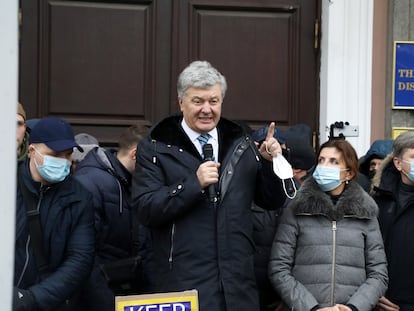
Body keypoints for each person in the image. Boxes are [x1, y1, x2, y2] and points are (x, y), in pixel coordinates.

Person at [131, 60, 286, 310]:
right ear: (181, 102)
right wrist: (193, 184)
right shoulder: (155, 147)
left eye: (213, 101)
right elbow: (145, 208)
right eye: (198, 101)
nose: (206, 109)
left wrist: (270, 163)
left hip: (237, 286)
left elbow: (271, 200)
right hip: (183, 286)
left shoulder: (241, 143)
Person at [269, 139, 388, 311]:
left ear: (349, 173)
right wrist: (311, 307)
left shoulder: (365, 214)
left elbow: (378, 273)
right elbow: (279, 268)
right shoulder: (297, 209)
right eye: (321, 160)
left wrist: (354, 307)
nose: (325, 166)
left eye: (334, 162)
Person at [14, 116, 95, 310]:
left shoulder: (79, 198)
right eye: (55, 154)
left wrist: (32, 299)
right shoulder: (7, 183)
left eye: (68, 155)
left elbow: (79, 260)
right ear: (32, 151)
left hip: (46, 303)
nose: (64, 161)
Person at [74, 124, 153, 311]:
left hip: (125, 294)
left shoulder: (133, 182)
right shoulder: (91, 183)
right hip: (101, 298)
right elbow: (84, 256)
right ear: (135, 155)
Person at [251, 129, 316, 311]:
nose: (272, 155)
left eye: (278, 150)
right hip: (250, 291)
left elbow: (308, 248)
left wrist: (289, 296)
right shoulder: (245, 189)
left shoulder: (299, 194)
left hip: (288, 294)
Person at [371, 131, 414, 311]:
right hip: (384, 300)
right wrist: (373, 293)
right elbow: (364, 252)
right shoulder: (377, 200)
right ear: (398, 163)